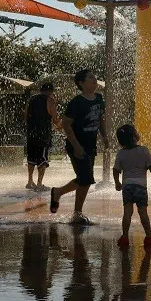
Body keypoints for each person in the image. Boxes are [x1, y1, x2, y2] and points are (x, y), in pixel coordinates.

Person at [49, 69, 109, 225]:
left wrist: (105, 137)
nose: (94, 79)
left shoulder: (99, 99)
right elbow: (66, 124)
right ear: (81, 83)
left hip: (90, 145)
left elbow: (100, 119)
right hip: (76, 145)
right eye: (90, 78)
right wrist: (76, 145)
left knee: (85, 179)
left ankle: (58, 192)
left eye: (95, 77)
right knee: (86, 179)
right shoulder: (76, 102)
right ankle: (77, 214)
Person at [113, 124, 151, 247]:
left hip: (127, 186)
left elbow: (116, 170)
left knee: (127, 212)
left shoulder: (121, 153)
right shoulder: (143, 150)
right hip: (140, 186)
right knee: (143, 212)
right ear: (134, 136)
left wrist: (117, 182)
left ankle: (124, 237)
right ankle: (149, 237)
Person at [24, 81, 59, 191]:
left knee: (31, 158)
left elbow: (25, 115)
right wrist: (60, 125)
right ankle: (39, 184)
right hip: (43, 134)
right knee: (42, 159)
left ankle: (30, 182)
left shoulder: (32, 99)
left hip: (31, 133)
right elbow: (54, 118)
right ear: (51, 91)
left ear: (41, 90)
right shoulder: (50, 100)